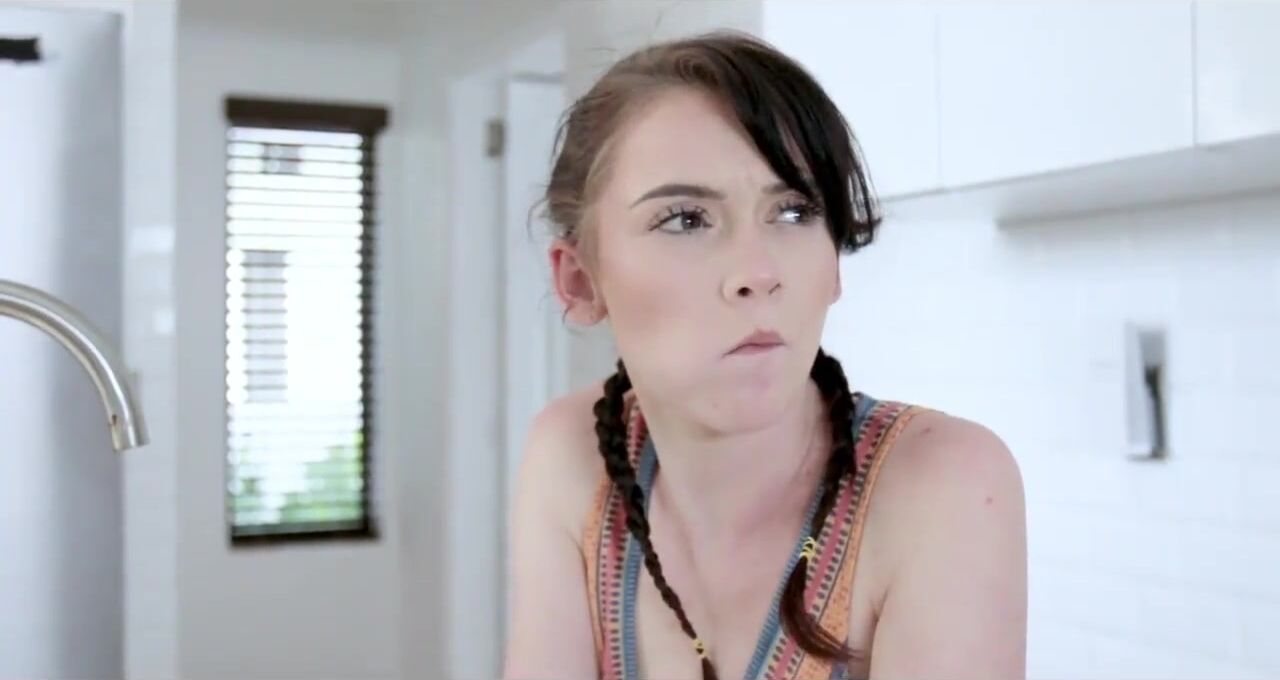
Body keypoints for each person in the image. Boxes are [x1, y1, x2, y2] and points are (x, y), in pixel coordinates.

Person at [503, 31, 1027, 680]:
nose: (758, 272)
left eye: (794, 212)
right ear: (581, 281)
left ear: (833, 266)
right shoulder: (570, 457)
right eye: (685, 219)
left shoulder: (944, 485)